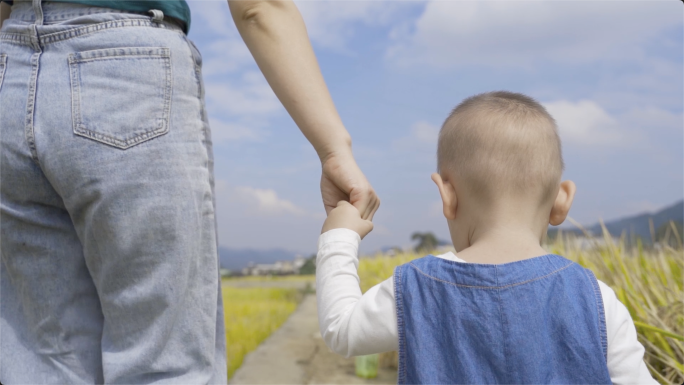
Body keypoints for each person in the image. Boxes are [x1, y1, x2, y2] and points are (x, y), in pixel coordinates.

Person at [0, 0, 377, 382]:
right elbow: (258, 7)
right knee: (164, 363)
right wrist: (334, 148)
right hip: (121, 62)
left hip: (8, 68)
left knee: (43, 358)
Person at [316, 91, 657, 384]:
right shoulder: (595, 297)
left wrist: (339, 234)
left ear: (446, 195)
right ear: (562, 200)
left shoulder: (415, 288)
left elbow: (340, 329)